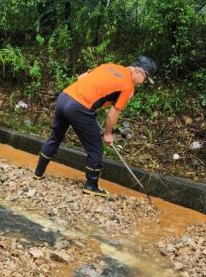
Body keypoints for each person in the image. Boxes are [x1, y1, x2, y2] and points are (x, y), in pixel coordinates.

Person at [33, 56, 157, 196]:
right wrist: (108, 134)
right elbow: (112, 114)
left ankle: (38, 173)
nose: (143, 82)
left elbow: (81, 77)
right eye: (146, 79)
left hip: (65, 97)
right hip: (79, 107)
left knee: (55, 138)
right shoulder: (128, 86)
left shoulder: (110, 66)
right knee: (95, 148)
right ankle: (91, 186)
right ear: (139, 72)